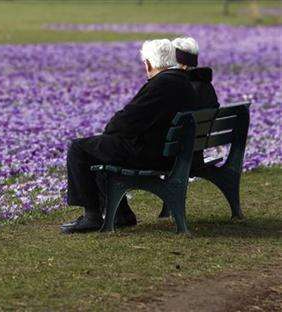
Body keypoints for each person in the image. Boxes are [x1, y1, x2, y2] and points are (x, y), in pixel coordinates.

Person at [61, 39, 198, 234]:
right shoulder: (183, 83)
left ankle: (92, 215)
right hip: (170, 151)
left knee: (79, 148)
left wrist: (111, 129)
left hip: (153, 155)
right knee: (102, 147)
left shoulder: (161, 84)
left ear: (148, 64)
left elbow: (127, 120)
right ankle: (121, 214)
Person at [172, 37, 220, 170]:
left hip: (176, 159)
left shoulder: (179, 87)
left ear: (181, 64)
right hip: (197, 155)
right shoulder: (206, 85)